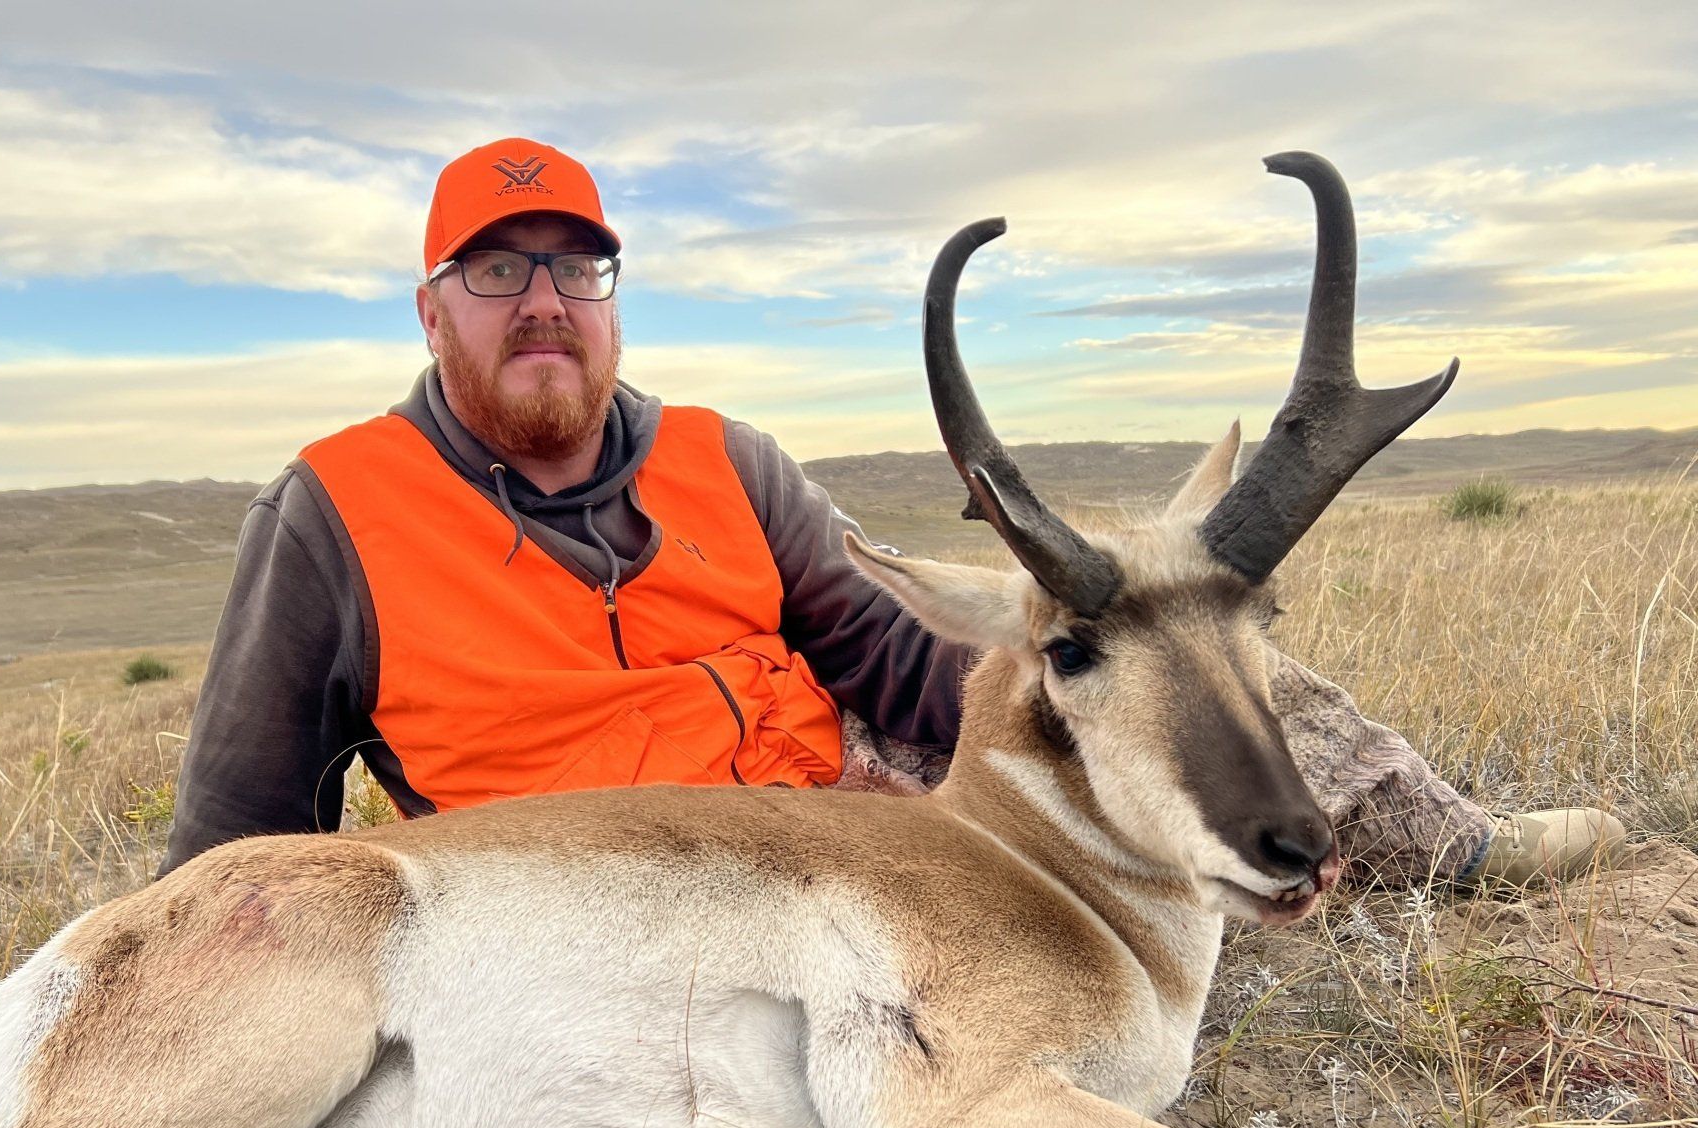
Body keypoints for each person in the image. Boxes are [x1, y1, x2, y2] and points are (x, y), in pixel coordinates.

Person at [162, 137, 1621, 891]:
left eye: (575, 270)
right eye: (496, 272)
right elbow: (242, 827)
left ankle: (1440, 841)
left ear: (611, 301)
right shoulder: (330, 514)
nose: (542, 300)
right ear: (431, 308)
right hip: (580, 886)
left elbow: (895, 652)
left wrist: (1062, 712)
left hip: (847, 813)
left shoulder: (728, 457)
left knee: (1144, 632)